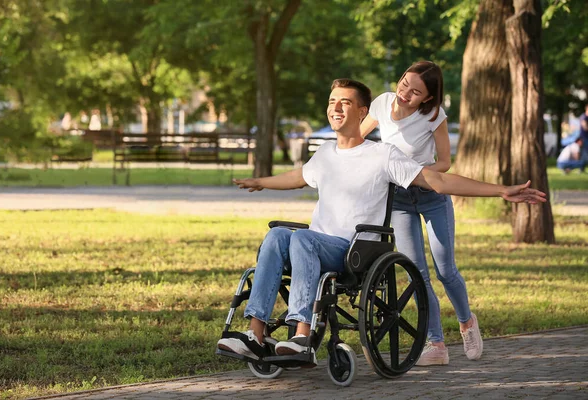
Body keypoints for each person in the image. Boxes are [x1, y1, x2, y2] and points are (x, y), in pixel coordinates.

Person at [216, 78, 547, 366]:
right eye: (332, 102)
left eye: (345, 103)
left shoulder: (383, 155)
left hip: (353, 249)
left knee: (302, 239)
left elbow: (440, 182)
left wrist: (502, 190)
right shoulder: (326, 152)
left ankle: (302, 336)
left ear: (363, 112)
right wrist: (262, 181)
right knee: (276, 236)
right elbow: (298, 177)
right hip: (315, 245)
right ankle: (255, 335)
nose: (336, 108)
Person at [360, 61, 487, 366]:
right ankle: (437, 344)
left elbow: (444, 162)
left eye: (416, 92)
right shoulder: (381, 104)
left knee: (446, 270)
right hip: (400, 200)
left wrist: (414, 172)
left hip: (431, 195)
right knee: (418, 274)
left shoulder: (433, 115)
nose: (405, 93)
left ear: (427, 98)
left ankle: (467, 322)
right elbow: (358, 140)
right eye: (404, 84)